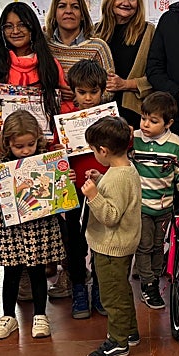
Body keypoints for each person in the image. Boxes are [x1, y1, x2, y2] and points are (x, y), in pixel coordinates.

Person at [0, 110, 65, 341]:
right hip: (11, 230)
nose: (26, 150)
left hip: (39, 228)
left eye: (30, 144)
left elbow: (61, 195)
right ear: (7, 142)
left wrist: (63, 180)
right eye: (19, 146)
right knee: (10, 273)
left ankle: (40, 315)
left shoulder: (46, 160)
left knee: (38, 272)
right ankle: (8, 316)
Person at [81, 115, 142, 356]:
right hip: (121, 244)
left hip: (111, 247)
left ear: (103, 150)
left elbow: (110, 215)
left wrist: (94, 194)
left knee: (112, 297)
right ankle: (129, 332)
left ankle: (117, 343)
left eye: (94, 150)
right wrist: (100, 180)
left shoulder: (117, 177)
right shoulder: (123, 169)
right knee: (121, 290)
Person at [0, 2, 66, 158]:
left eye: (22, 25)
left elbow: (63, 105)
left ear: (32, 27)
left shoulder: (50, 65)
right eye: (8, 26)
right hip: (0, 152)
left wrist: (55, 141)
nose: (15, 31)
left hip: (43, 152)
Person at [62, 59, 111, 319]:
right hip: (73, 190)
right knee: (75, 241)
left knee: (102, 241)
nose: (89, 98)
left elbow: (119, 154)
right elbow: (55, 155)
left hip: (103, 189)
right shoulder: (64, 118)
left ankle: (100, 289)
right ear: (74, 91)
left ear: (103, 91)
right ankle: (79, 287)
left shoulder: (111, 118)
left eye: (94, 92)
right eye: (82, 92)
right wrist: (62, 171)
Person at [132, 91, 179, 310]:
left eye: (153, 121)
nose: (146, 124)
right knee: (144, 246)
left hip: (164, 207)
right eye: (143, 118)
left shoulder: (175, 145)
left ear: (169, 123)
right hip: (141, 206)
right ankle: (149, 284)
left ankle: (154, 277)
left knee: (158, 245)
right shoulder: (134, 139)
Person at [94, 0, 155, 128]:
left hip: (134, 113)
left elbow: (158, 75)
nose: (126, 3)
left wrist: (125, 84)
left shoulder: (148, 32)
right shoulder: (95, 31)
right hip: (99, 113)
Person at [44, 0, 115, 103]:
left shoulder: (98, 47)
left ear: (82, 15)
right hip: (50, 116)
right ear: (54, 13)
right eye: (62, 6)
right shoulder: (45, 46)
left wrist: (82, 97)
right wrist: (55, 93)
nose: (68, 11)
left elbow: (110, 88)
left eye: (75, 7)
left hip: (87, 117)